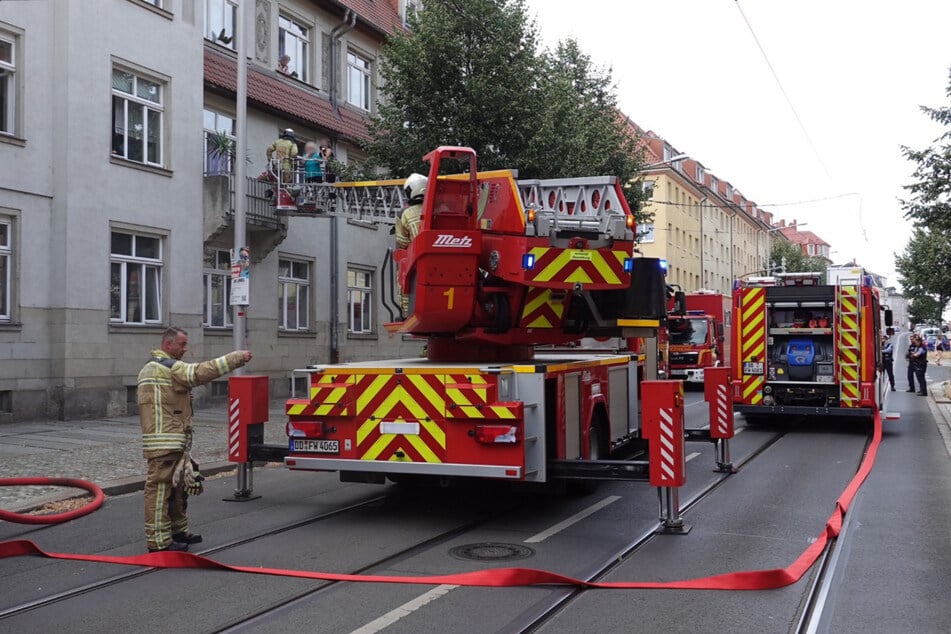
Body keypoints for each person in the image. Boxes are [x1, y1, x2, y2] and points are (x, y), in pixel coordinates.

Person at [138, 327, 252, 552]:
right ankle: (159, 543)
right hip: (166, 442)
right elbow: (198, 373)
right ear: (168, 345)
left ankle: (178, 532)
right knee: (160, 491)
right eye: (182, 345)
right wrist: (236, 358)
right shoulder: (165, 367)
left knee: (178, 489)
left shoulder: (155, 369)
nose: (186, 349)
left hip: (171, 441)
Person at [394, 173, 427, 317]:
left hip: (418, 257)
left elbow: (402, 242)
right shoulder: (441, 207)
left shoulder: (405, 213)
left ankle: (407, 313)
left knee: (403, 277)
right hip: (446, 255)